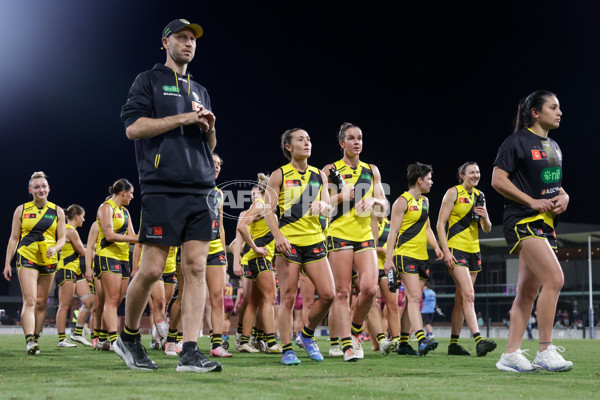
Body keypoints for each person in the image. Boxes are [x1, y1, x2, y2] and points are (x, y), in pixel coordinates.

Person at [115, 18, 222, 373]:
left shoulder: (201, 90)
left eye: (193, 39)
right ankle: (128, 338)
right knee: (152, 269)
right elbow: (133, 128)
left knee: (195, 268)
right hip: (162, 186)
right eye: (182, 37)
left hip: (201, 188)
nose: (189, 43)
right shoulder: (147, 81)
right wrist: (180, 119)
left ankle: (189, 351)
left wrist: (209, 127)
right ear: (166, 42)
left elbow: (210, 144)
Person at [492, 90, 572, 372]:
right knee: (555, 278)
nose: (559, 112)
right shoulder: (516, 142)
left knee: (527, 292)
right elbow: (497, 179)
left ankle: (511, 354)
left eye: (559, 107)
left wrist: (565, 197)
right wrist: (531, 202)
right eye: (553, 107)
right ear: (535, 113)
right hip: (522, 221)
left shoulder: (554, 146)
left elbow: (549, 184)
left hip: (544, 224)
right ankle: (545, 350)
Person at [264, 128, 335, 365]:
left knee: (328, 295)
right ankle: (287, 349)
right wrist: (278, 237)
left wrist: (322, 208)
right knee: (288, 298)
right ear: (288, 146)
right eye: (301, 139)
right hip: (289, 243)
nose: (307, 143)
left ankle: (305, 336)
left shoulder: (319, 175)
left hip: (314, 241)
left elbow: (328, 207)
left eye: (309, 139)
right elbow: (268, 210)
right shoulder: (279, 175)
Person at [323, 122, 388, 362]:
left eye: (359, 137)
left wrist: (373, 201)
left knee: (370, 289)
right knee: (341, 293)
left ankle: (355, 330)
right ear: (342, 143)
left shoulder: (371, 170)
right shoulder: (330, 170)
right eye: (351, 138)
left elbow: (385, 203)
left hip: (364, 237)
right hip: (339, 234)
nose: (357, 141)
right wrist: (341, 195)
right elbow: (322, 205)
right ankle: (347, 344)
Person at [436, 161, 497, 357]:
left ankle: (453, 345)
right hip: (457, 250)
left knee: (461, 298)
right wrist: (446, 251)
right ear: (462, 175)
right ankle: (479, 340)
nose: (476, 175)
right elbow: (440, 224)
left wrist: (486, 218)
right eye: (471, 172)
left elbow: (486, 229)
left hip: (474, 251)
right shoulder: (453, 192)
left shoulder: (481, 196)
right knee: (469, 294)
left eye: (478, 172)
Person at [383, 162, 443, 356]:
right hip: (405, 255)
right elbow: (392, 233)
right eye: (429, 178)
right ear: (419, 180)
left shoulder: (425, 202)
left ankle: (402, 343)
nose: (432, 182)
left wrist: (436, 246)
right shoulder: (402, 201)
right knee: (415, 297)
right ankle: (421, 339)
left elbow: (427, 229)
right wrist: (388, 259)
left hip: (422, 257)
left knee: (412, 300)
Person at [3, 171, 66, 355]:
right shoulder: (21, 210)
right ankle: (30, 341)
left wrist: (55, 248)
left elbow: (62, 238)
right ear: (30, 190)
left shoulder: (58, 211)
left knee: (41, 303)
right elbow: (14, 238)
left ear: (49, 189)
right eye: (37, 187)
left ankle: (36, 337)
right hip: (26, 255)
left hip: (48, 258)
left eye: (43, 186)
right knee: (29, 300)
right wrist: (8, 263)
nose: (41, 189)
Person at [236, 173, 281, 354]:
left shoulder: (267, 208)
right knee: (270, 299)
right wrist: (255, 247)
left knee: (254, 302)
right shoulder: (260, 205)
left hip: (259, 259)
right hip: (259, 259)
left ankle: (244, 342)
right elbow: (241, 225)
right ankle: (270, 343)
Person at [95, 179, 138, 350]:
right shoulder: (106, 207)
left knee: (118, 299)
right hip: (107, 255)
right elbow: (109, 235)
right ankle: (114, 340)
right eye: (131, 193)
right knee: (111, 299)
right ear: (123, 192)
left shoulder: (125, 212)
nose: (132, 196)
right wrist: (136, 238)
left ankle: (102, 340)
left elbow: (134, 235)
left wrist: (147, 235)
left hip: (123, 258)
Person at [55, 204, 94, 347]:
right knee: (64, 305)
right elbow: (84, 252)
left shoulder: (70, 231)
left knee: (89, 301)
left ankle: (77, 334)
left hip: (76, 271)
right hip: (66, 270)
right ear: (76, 216)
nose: (83, 219)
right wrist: (99, 252)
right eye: (82, 216)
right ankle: (61, 340)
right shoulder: (70, 231)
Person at [205, 153, 231, 357]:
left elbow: (221, 226)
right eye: (212, 163)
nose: (216, 167)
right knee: (189, 297)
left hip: (215, 250)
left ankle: (216, 345)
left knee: (218, 298)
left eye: (219, 164)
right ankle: (177, 339)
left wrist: (223, 251)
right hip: (193, 248)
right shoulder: (191, 188)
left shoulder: (218, 194)